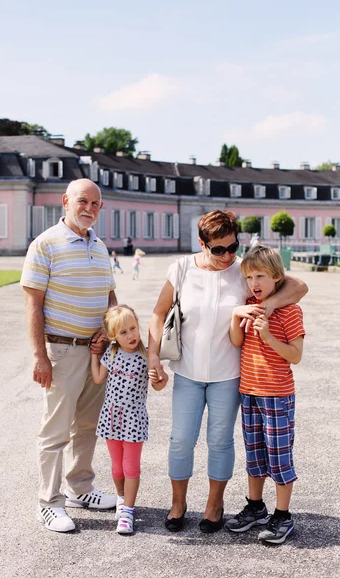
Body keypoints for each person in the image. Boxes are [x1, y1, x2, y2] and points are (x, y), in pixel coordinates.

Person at [148, 210, 308, 534]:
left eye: (232, 247)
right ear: (202, 244)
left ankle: (214, 505)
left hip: (228, 375)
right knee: (181, 440)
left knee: (220, 442)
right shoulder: (181, 268)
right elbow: (159, 311)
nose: (226, 255)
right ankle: (178, 503)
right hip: (187, 372)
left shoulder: (242, 271)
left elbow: (299, 286)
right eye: (218, 249)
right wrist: (154, 358)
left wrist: (270, 306)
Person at [21, 178, 118, 533]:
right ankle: (48, 503)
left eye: (95, 204)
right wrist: (39, 356)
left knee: (88, 426)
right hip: (61, 351)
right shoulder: (45, 244)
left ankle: (80, 489)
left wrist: (109, 331)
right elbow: (33, 304)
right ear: (66, 202)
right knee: (55, 431)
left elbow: (110, 297)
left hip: (95, 350)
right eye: (82, 201)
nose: (89, 208)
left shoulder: (101, 246)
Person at [225, 246, 305, 545]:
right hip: (249, 393)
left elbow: (295, 356)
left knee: (280, 459)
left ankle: (283, 515)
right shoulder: (248, 304)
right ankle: (256, 507)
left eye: (260, 276)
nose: (253, 283)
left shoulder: (290, 311)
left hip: (277, 396)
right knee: (255, 456)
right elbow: (237, 341)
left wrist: (269, 335)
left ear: (276, 278)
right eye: (248, 277)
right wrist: (236, 316)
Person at [91, 305, 168, 534]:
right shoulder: (111, 353)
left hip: (134, 418)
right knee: (116, 468)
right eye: (123, 332)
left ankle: (128, 512)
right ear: (114, 336)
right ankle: (121, 498)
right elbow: (97, 379)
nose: (131, 335)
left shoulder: (146, 355)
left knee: (130, 467)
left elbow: (158, 386)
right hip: (111, 418)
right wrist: (94, 355)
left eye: (133, 328)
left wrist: (160, 377)